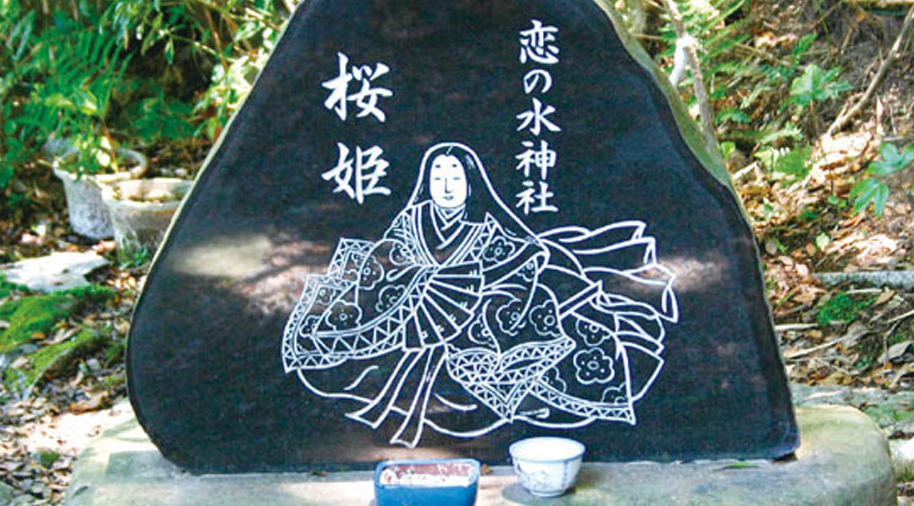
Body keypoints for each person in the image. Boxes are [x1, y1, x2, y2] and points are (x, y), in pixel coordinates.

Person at [281, 142, 677, 447]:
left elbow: (522, 259)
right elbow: (384, 264)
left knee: (526, 316)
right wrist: (417, 283)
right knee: (340, 332)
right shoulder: (412, 221)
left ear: (471, 183)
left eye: (455, 177)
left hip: (472, 321)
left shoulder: (485, 227)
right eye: (438, 178)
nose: (447, 186)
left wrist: (480, 291)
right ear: (426, 183)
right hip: (409, 317)